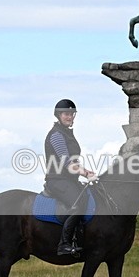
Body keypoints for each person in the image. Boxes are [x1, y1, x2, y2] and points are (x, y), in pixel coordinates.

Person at [44, 99, 95, 256]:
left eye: (72, 114)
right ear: (59, 115)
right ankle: (64, 244)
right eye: (66, 114)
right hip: (57, 180)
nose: (70, 117)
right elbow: (67, 163)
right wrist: (86, 173)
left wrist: (85, 173)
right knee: (78, 203)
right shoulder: (57, 135)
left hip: (69, 180)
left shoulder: (67, 133)